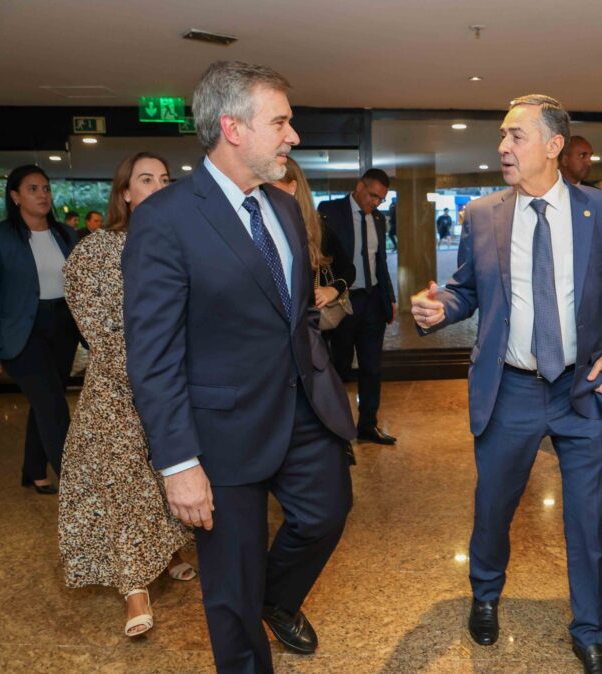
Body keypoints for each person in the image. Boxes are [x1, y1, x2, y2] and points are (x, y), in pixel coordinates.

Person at [122, 60, 355, 673]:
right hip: (219, 431)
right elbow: (153, 352)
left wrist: (322, 379)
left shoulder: (281, 207)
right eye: (280, 122)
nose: (292, 136)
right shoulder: (165, 218)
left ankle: (273, 601)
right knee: (231, 583)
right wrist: (178, 463)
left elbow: (294, 314)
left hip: (302, 410)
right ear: (232, 128)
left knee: (327, 514)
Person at [411, 94, 602, 674]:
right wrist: (441, 309)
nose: (503, 147)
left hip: (582, 389)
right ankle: (485, 594)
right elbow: (466, 290)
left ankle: (590, 632)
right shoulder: (483, 214)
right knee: (493, 507)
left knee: (588, 519)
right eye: (502, 135)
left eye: (516, 136)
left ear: (553, 146)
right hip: (510, 389)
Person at [58, 152, 195, 639]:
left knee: (165, 476)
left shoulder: (180, 246)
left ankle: (170, 552)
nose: (158, 187)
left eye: (165, 179)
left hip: (171, 388)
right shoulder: (95, 252)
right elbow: (102, 331)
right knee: (124, 486)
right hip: (117, 392)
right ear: (125, 194)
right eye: (146, 179)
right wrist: (150, 378)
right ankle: (134, 588)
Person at [0, 164, 81, 495]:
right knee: (53, 406)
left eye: (46, 188)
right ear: (15, 196)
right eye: (33, 189)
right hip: (22, 333)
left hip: (62, 327)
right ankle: (78, 488)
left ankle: (34, 470)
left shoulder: (65, 235)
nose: (42, 195)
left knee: (46, 401)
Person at [319, 168, 398, 445]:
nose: (376, 202)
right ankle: (335, 430)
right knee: (338, 367)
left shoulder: (378, 219)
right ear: (360, 187)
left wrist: (389, 298)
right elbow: (321, 258)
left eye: (381, 199)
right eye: (373, 196)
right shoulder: (329, 211)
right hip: (343, 302)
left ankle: (368, 425)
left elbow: (380, 263)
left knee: (372, 368)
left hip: (372, 301)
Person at [271, 157, 354, 316]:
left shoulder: (318, 228)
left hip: (310, 320)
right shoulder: (261, 225)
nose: (264, 192)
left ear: (292, 187)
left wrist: (332, 290)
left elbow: (349, 270)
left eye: (271, 185)